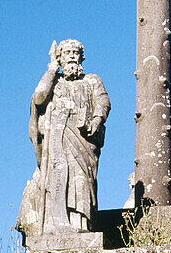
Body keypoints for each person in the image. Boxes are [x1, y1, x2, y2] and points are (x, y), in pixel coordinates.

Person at [17, 39, 110, 236]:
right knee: (58, 178)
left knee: (82, 181)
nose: (71, 57)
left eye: (75, 53)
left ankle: (81, 224)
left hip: (83, 139)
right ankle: (57, 225)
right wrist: (51, 69)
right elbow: (39, 97)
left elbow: (103, 101)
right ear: (60, 57)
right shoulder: (54, 81)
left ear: (81, 57)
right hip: (57, 140)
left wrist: (96, 120)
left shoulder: (91, 80)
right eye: (66, 53)